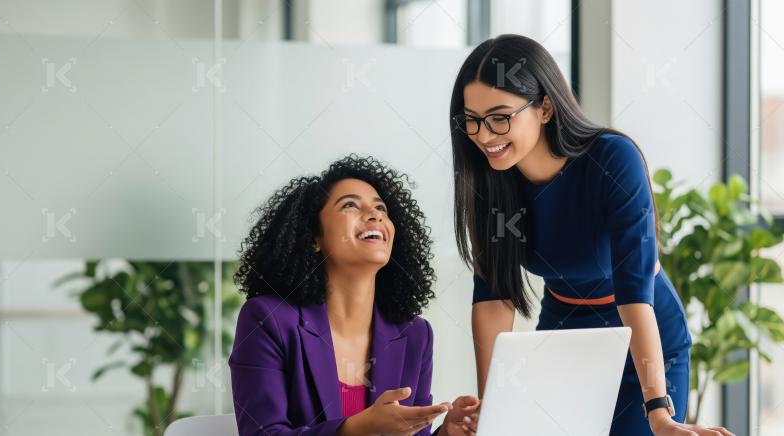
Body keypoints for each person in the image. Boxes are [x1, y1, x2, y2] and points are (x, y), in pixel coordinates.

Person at [449, 34, 732, 436]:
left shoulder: (613, 159)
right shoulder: (492, 182)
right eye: (471, 120)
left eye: (500, 117)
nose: (484, 135)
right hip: (564, 332)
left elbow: (634, 292)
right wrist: (494, 406)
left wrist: (659, 412)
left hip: (645, 336)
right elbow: (495, 297)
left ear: (545, 107)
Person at [230, 155, 480, 435]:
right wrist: (357, 429)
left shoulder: (415, 334)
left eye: (381, 208)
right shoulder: (268, 320)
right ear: (314, 237)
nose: (375, 215)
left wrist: (448, 432)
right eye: (350, 205)